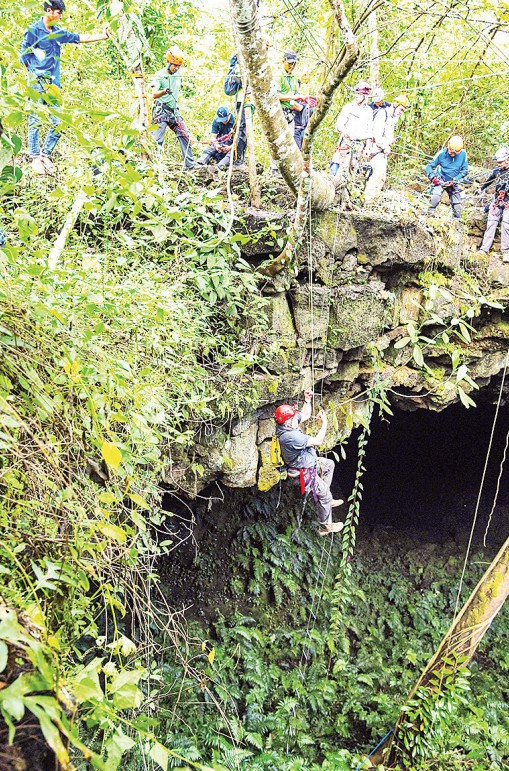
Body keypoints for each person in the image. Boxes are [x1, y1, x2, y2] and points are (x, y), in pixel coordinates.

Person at [20, 0, 110, 176]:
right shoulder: (33, 30)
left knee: (59, 122)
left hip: (53, 84)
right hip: (37, 82)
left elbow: (79, 38)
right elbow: (24, 54)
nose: (61, 16)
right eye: (59, 12)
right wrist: (33, 75)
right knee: (35, 119)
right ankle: (35, 157)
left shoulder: (58, 32)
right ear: (49, 11)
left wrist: (103, 36)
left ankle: (45, 155)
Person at [275, 390, 344, 536]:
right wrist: (325, 422)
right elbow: (318, 441)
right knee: (324, 494)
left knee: (328, 465)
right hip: (303, 471)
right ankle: (325, 526)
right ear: (288, 421)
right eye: (293, 416)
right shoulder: (290, 436)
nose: (296, 417)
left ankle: (326, 499)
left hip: (308, 462)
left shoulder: (287, 424)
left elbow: (305, 415)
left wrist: (307, 400)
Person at [151, 46, 195, 169]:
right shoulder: (160, 75)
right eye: (174, 65)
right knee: (157, 140)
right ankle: (156, 166)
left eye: (178, 66)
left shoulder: (178, 74)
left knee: (184, 135)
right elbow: (154, 94)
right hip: (161, 111)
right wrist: (164, 91)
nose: (176, 68)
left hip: (173, 112)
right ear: (168, 62)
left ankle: (190, 165)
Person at [364, 94, 410, 203]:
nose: (401, 112)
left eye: (403, 111)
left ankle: (370, 200)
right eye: (401, 109)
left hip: (381, 151)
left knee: (380, 177)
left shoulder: (393, 118)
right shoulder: (382, 114)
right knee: (377, 175)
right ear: (395, 105)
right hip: (375, 149)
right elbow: (376, 134)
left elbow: (387, 134)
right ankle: (368, 200)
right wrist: (385, 146)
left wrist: (390, 141)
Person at [330, 80, 373, 179]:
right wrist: (345, 132)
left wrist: (368, 147)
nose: (357, 96)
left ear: (365, 96)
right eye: (356, 93)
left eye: (360, 94)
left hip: (359, 146)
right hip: (346, 143)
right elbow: (339, 125)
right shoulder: (348, 108)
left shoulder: (369, 111)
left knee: (355, 172)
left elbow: (369, 132)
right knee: (340, 170)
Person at [477, 146, 509, 262]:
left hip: (508, 201)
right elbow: (489, 180)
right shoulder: (497, 171)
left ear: (507, 160)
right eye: (498, 162)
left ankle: (506, 252)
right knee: (491, 223)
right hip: (497, 200)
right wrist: (481, 189)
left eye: (501, 162)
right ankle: (484, 249)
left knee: (506, 224)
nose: (499, 164)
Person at [425, 136, 468, 219]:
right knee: (435, 197)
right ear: (448, 145)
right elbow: (429, 166)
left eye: (456, 152)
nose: (453, 154)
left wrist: (456, 179)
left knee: (457, 207)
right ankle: (429, 216)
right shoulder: (441, 154)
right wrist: (433, 177)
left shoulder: (463, 154)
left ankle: (456, 221)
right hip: (440, 180)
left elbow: (465, 170)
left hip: (453, 181)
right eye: (451, 151)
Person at [277, 51, 304, 135]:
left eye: (294, 64)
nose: (292, 66)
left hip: (291, 114)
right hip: (279, 113)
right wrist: (293, 97)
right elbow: (276, 96)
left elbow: (295, 95)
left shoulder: (294, 77)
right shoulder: (278, 75)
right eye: (290, 63)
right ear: (283, 61)